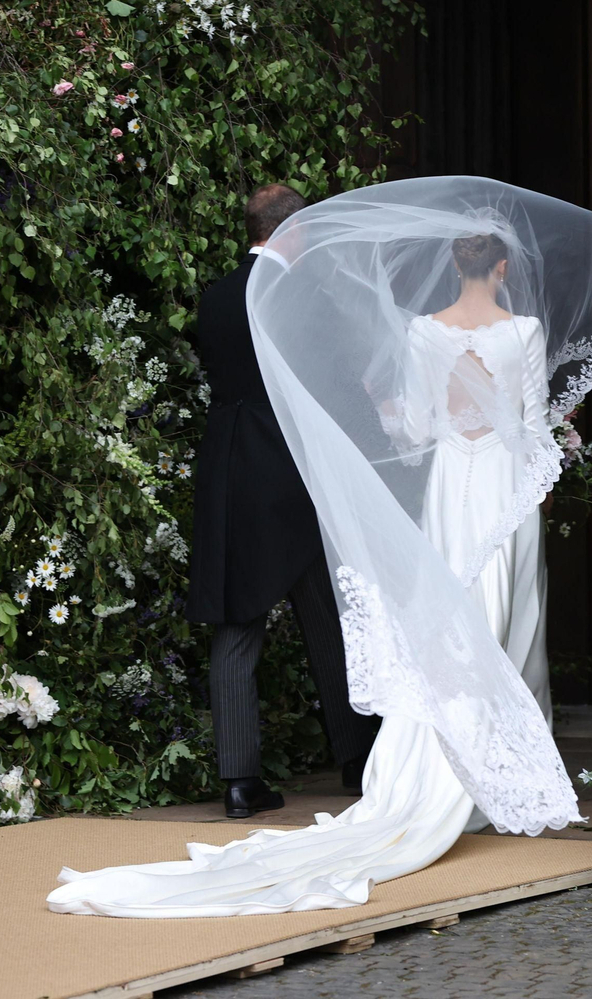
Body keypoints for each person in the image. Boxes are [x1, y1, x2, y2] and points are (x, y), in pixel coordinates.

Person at [48, 177, 592, 916]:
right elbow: (525, 421)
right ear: (502, 266)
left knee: (342, 623)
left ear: (453, 264)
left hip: (339, 483)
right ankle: (479, 764)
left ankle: (295, 772)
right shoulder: (516, 331)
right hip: (456, 484)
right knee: (496, 620)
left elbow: (408, 422)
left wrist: (415, 421)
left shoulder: (225, 299)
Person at [184, 182, 379, 820]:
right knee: (328, 617)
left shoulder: (212, 299)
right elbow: (339, 388)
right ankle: (358, 762)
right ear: (293, 232)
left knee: (237, 625)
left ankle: (239, 783)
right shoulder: (305, 297)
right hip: (296, 475)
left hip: (230, 476)